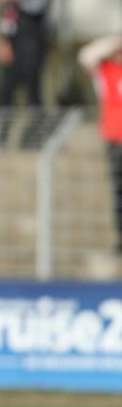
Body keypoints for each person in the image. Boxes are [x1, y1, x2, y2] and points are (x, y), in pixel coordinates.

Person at [0, 0, 52, 148]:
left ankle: (36, 137)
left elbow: (36, 6)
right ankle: (1, 137)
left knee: (33, 92)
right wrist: (3, 40)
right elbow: (8, 14)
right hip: (14, 44)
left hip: (33, 44)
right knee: (5, 90)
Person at [78, 35, 122, 254]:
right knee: (119, 191)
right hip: (114, 137)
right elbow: (86, 56)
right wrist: (115, 42)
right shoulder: (105, 71)